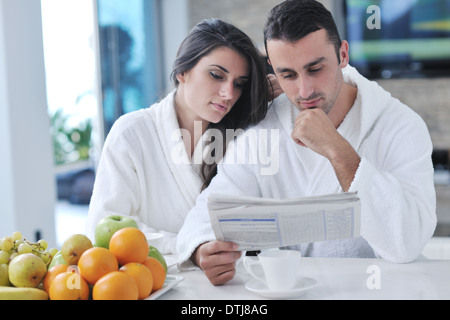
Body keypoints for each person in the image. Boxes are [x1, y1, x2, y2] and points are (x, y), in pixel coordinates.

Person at [176, 0, 437, 285]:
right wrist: (203, 249)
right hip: (290, 289)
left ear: (343, 54)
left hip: (376, 288)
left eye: (315, 69)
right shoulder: (265, 125)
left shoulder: (400, 126)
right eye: (288, 75)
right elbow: (207, 212)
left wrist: (338, 150)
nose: (304, 90)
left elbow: (408, 242)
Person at [86, 18, 271, 254]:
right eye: (216, 75)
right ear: (183, 71)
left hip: (231, 281)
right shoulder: (132, 133)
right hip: (155, 283)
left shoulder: (238, 137)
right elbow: (104, 228)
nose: (228, 94)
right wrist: (190, 248)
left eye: (239, 83)